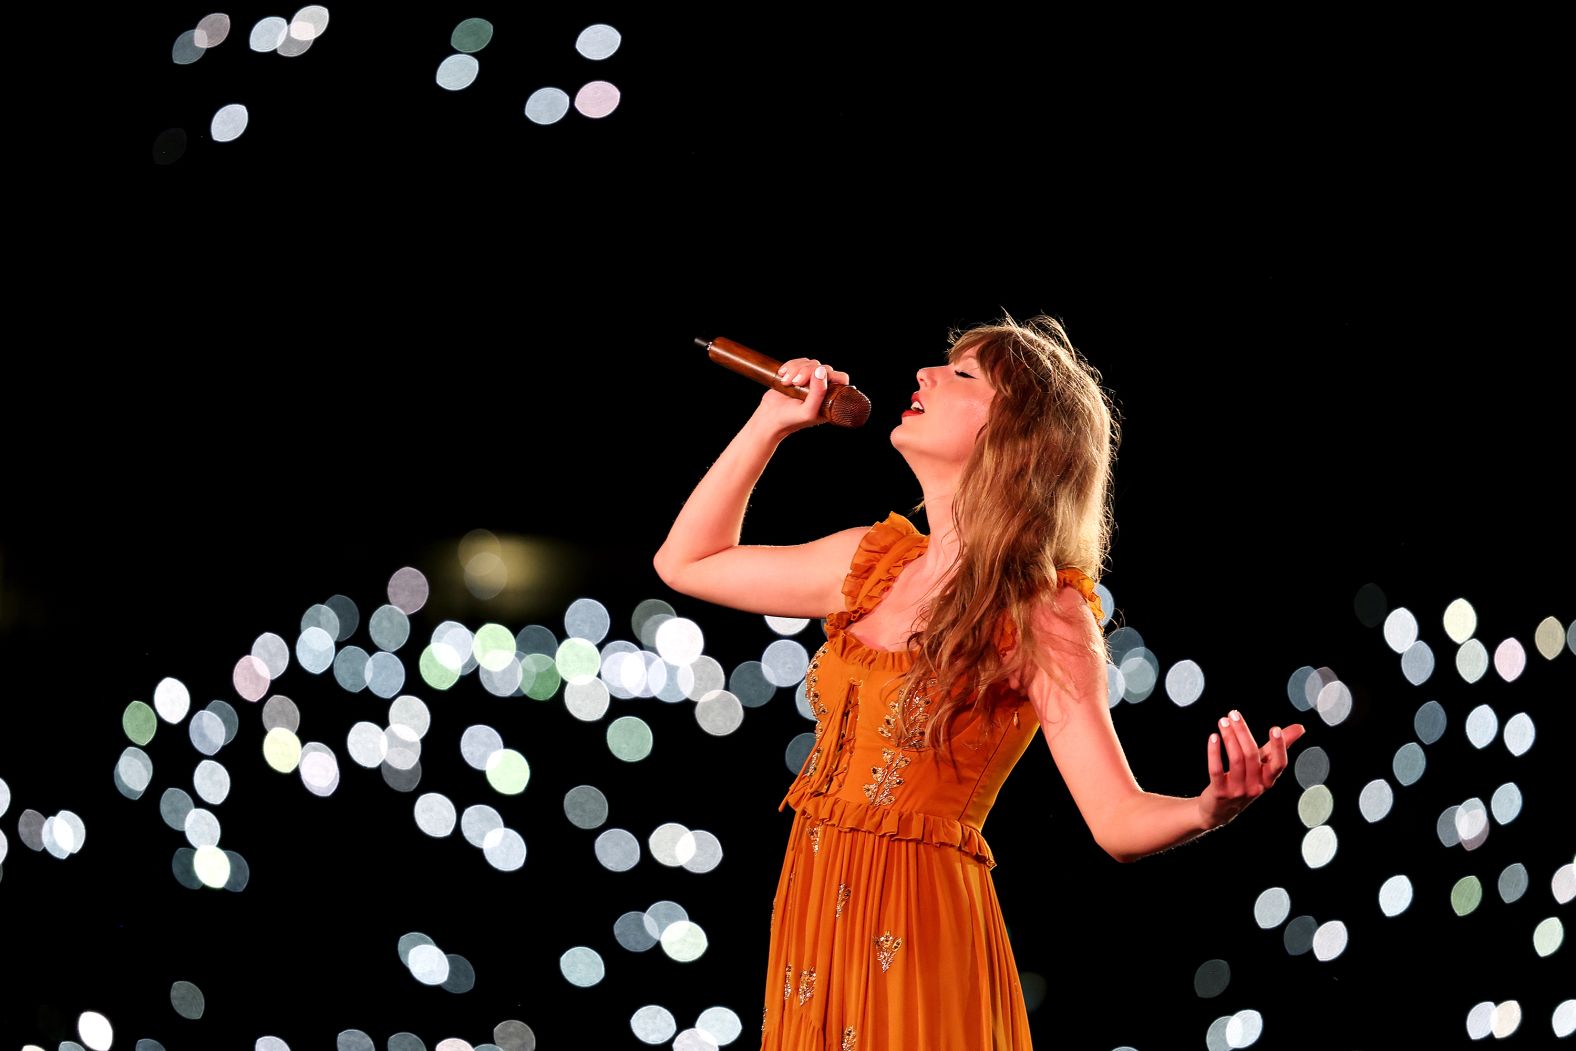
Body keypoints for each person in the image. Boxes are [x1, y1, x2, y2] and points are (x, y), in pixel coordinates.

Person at [653, 314, 1306, 1050]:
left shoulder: (1044, 611)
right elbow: (688, 563)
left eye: (962, 375)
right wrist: (769, 422)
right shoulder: (873, 563)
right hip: (813, 908)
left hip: (920, 924)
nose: (926, 376)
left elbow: (1117, 819)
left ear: (1019, 436)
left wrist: (1207, 809)